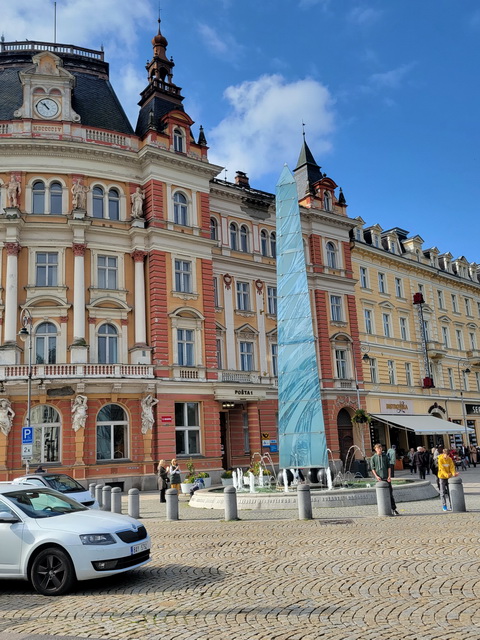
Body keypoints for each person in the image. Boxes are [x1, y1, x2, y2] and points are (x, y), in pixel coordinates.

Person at [370, 443, 399, 515]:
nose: (379, 449)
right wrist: (376, 476)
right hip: (379, 478)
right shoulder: (373, 458)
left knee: (390, 493)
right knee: (380, 494)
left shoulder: (385, 456)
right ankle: (383, 509)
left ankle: (393, 508)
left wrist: (389, 476)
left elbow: (389, 467)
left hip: (386, 477)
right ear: (375, 449)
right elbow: (373, 468)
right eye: (378, 448)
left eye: (380, 448)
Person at [436, 445, 457, 512]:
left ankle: (451, 505)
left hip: (448, 477)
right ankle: (444, 505)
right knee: (442, 492)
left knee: (449, 491)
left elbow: (452, 467)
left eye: (448, 455)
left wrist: (453, 473)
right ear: (443, 453)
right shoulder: (440, 459)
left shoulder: (450, 459)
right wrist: (446, 474)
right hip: (442, 477)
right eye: (446, 455)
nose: (447, 456)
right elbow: (441, 468)